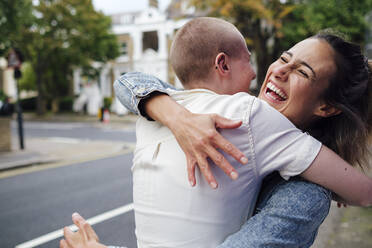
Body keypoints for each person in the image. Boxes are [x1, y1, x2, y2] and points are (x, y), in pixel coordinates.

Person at [61, 18, 372, 248]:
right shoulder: (234, 114)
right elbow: (130, 82)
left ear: (327, 108)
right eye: (283, 58)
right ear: (222, 64)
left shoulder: (304, 195)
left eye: (303, 72)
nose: (274, 71)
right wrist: (177, 117)